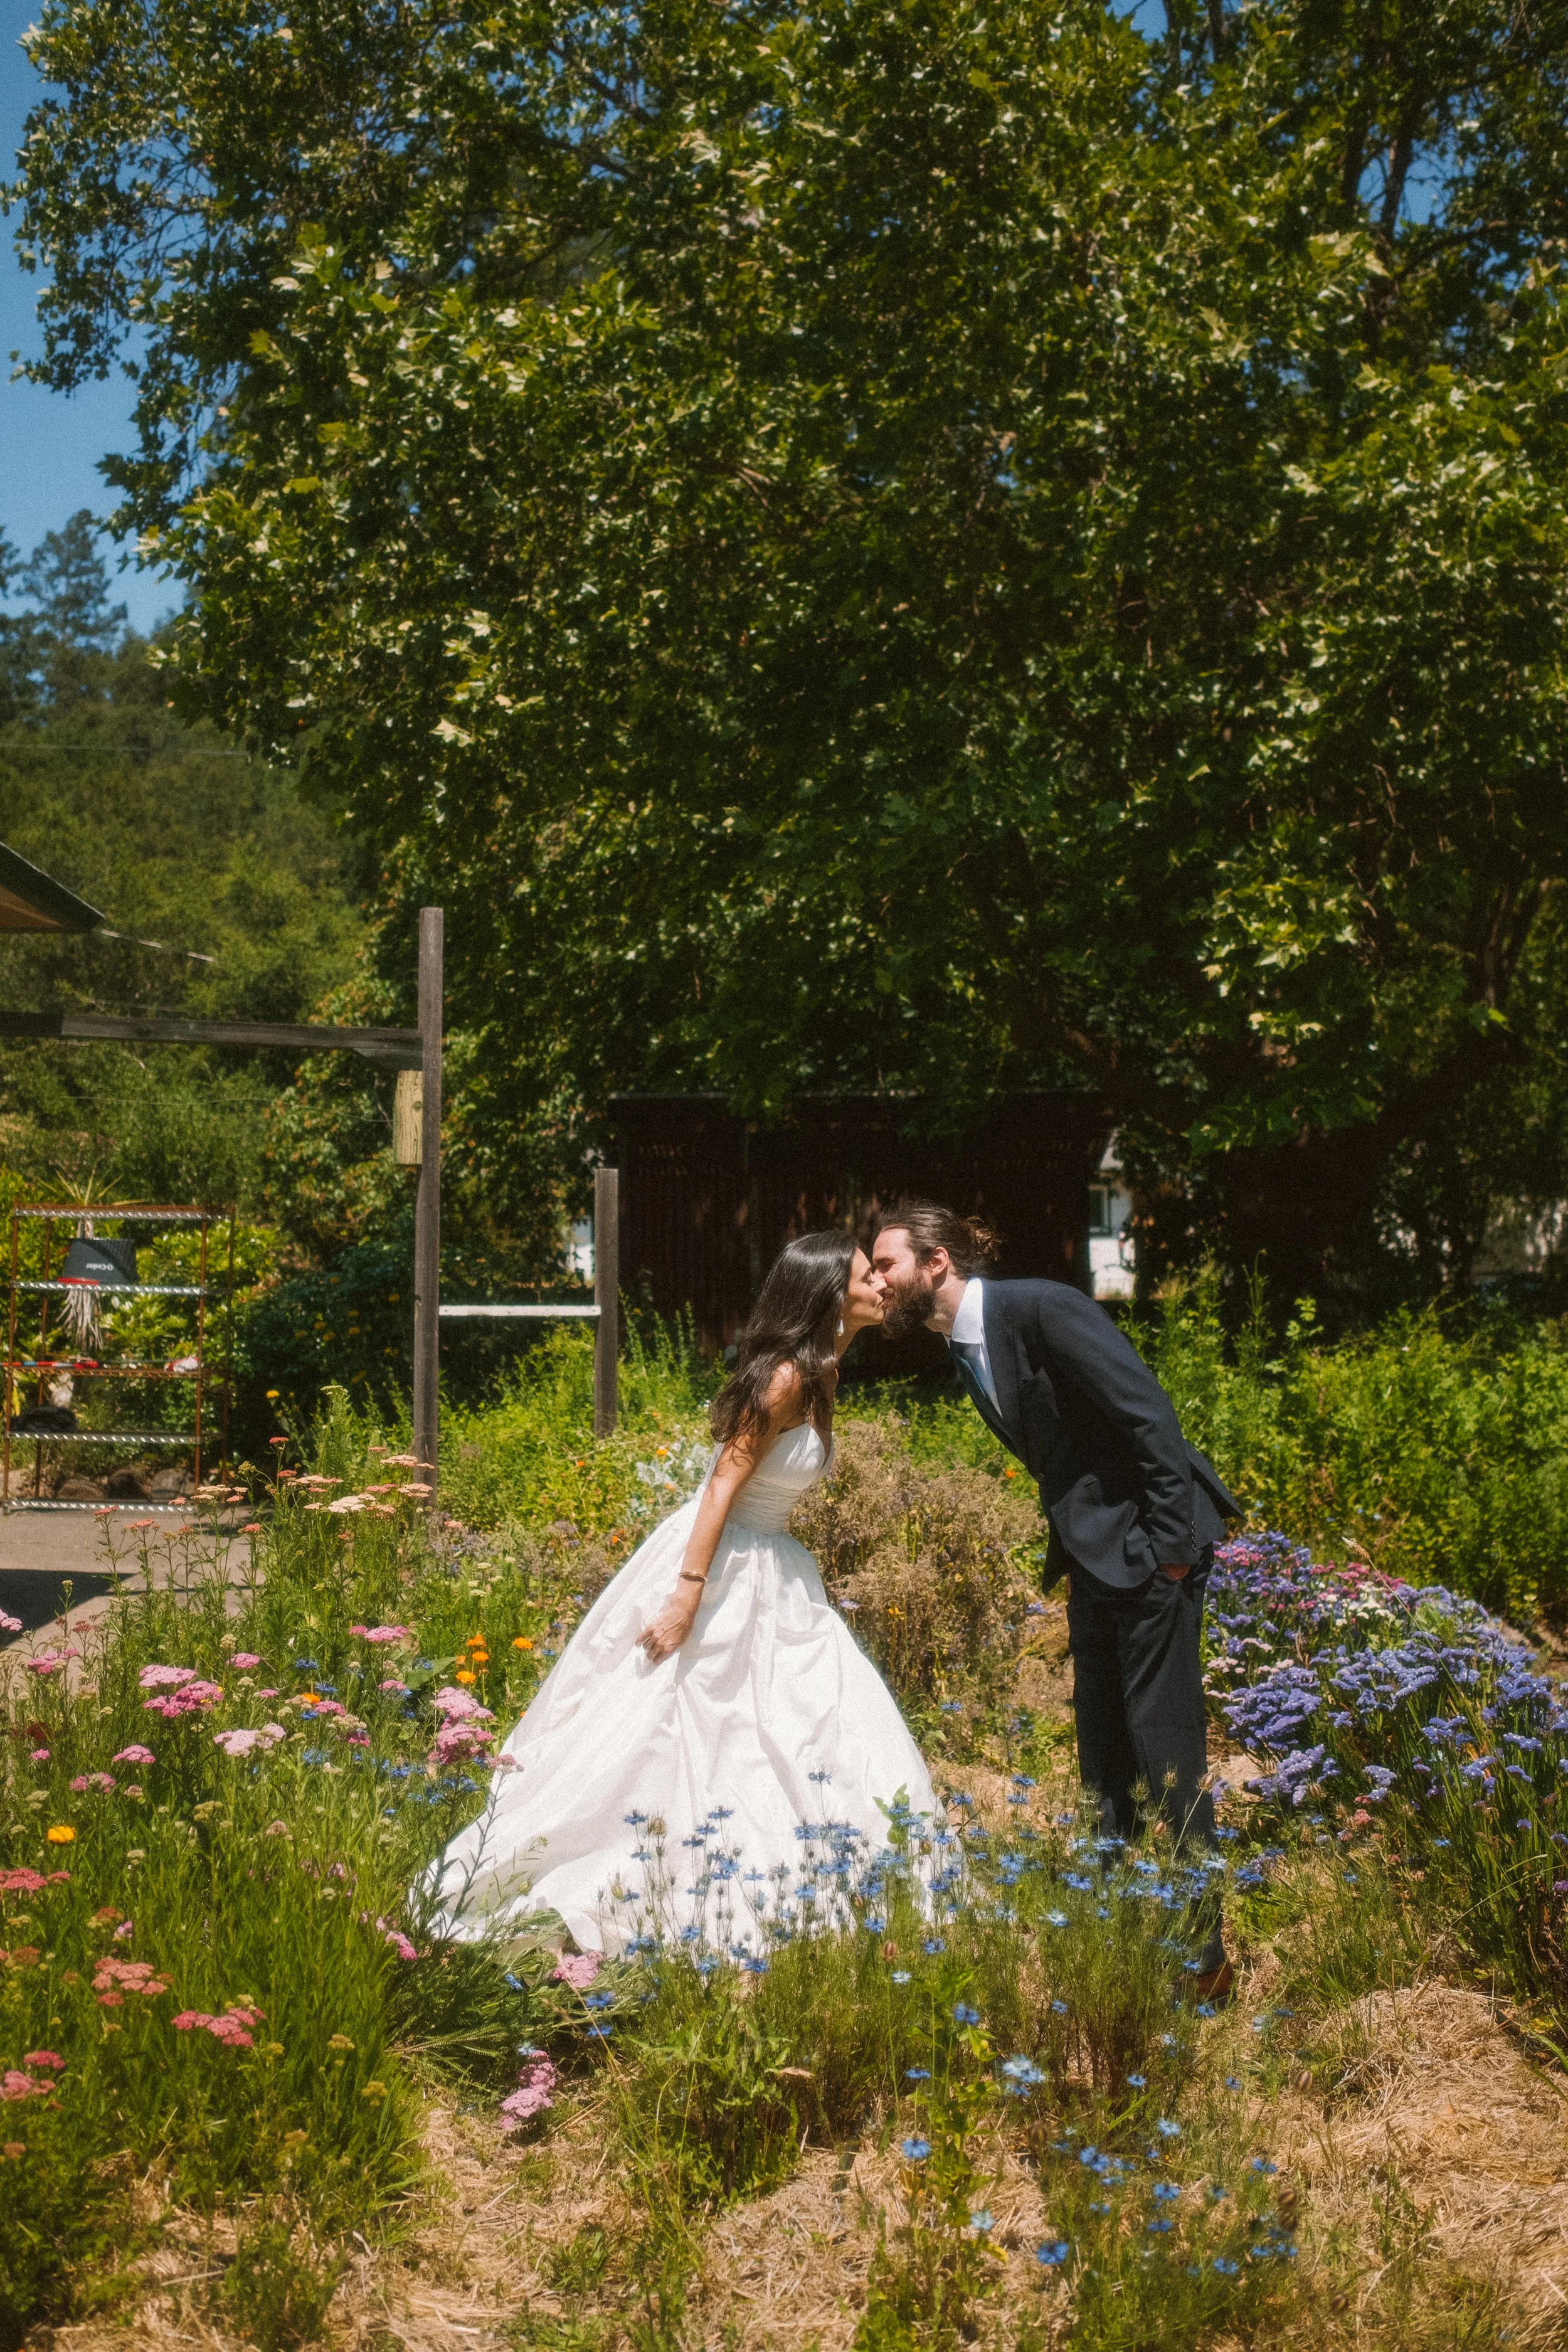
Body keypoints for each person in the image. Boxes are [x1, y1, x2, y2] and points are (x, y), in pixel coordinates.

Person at [423, 1231, 936, 1956]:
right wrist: (689, 1592)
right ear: (827, 1292)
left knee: (796, 1721)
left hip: (776, 1564)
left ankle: (821, 1865)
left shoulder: (824, 1369)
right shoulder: (786, 1376)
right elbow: (722, 1482)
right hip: (725, 1559)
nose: (882, 1286)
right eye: (865, 1277)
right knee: (680, 1716)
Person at [869, 1200, 1239, 1999]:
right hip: (1094, 1560)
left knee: (1163, 1749)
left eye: (885, 1263)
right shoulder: (963, 1347)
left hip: (1149, 1555)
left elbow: (1149, 1415)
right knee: (1103, 1755)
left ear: (936, 1263)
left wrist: (1172, 1551)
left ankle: (1202, 1959)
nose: (875, 1278)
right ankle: (1111, 1937)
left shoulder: (1041, 1308)